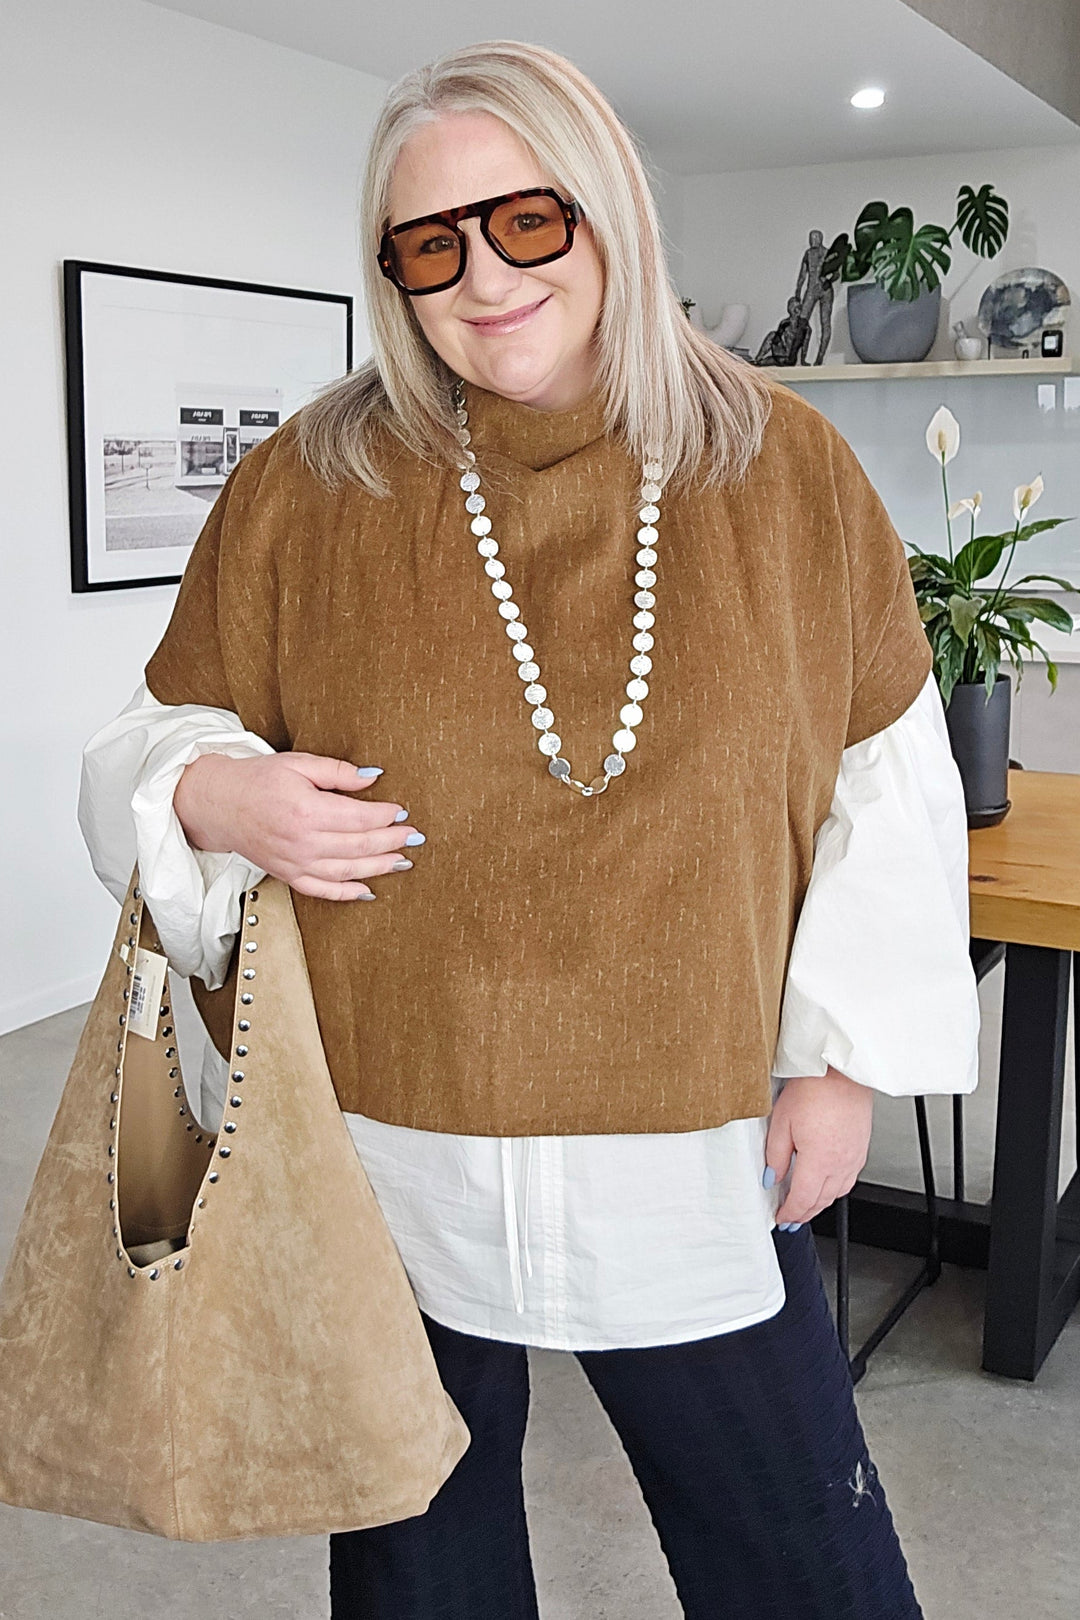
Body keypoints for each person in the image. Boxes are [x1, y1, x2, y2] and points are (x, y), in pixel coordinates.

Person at [78, 39, 980, 1619]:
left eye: (525, 221)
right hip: (393, 1137)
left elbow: (883, 780)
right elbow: (161, 730)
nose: (480, 277)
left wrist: (841, 1062)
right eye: (428, 246)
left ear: (608, 209)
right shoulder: (311, 480)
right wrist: (218, 791)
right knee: (421, 1558)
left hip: (692, 1138)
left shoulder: (785, 472)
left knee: (801, 1554)